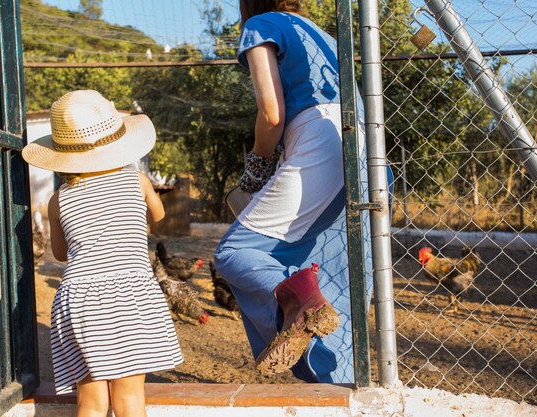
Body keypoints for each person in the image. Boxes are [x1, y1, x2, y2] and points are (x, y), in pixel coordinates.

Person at [213, 0, 387, 383]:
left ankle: (298, 302)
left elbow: (272, 114)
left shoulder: (263, 26)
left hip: (320, 144)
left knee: (234, 252)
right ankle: (333, 379)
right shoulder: (323, 33)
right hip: (365, 150)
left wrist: (256, 171)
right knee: (332, 271)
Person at [22, 90, 182, 417]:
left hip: (78, 300)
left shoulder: (57, 199)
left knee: (91, 404)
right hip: (130, 295)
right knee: (129, 402)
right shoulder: (137, 182)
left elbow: (61, 253)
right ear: (117, 144)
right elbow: (160, 215)